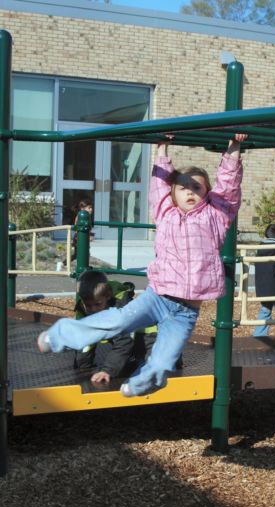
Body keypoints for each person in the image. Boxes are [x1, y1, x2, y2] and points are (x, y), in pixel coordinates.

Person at [38, 133, 246, 396]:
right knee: (116, 322)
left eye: (197, 188)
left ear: (207, 194)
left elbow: (228, 186)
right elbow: (159, 184)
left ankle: (140, 385)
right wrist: (162, 149)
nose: (190, 192)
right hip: (158, 297)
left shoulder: (217, 215)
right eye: (183, 187)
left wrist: (234, 148)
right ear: (172, 194)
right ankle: (59, 336)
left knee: (163, 363)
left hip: (186, 312)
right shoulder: (164, 212)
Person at [73, 270, 136, 385]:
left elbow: (124, 342)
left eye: (97, 304)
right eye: (88, 305)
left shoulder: (120, 311)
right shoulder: (84, 308)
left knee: (143, 362)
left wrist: (107, 371)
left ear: (108, 296)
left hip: (146, 335)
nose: (93, 309)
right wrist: (83, 367)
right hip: (121, 334)